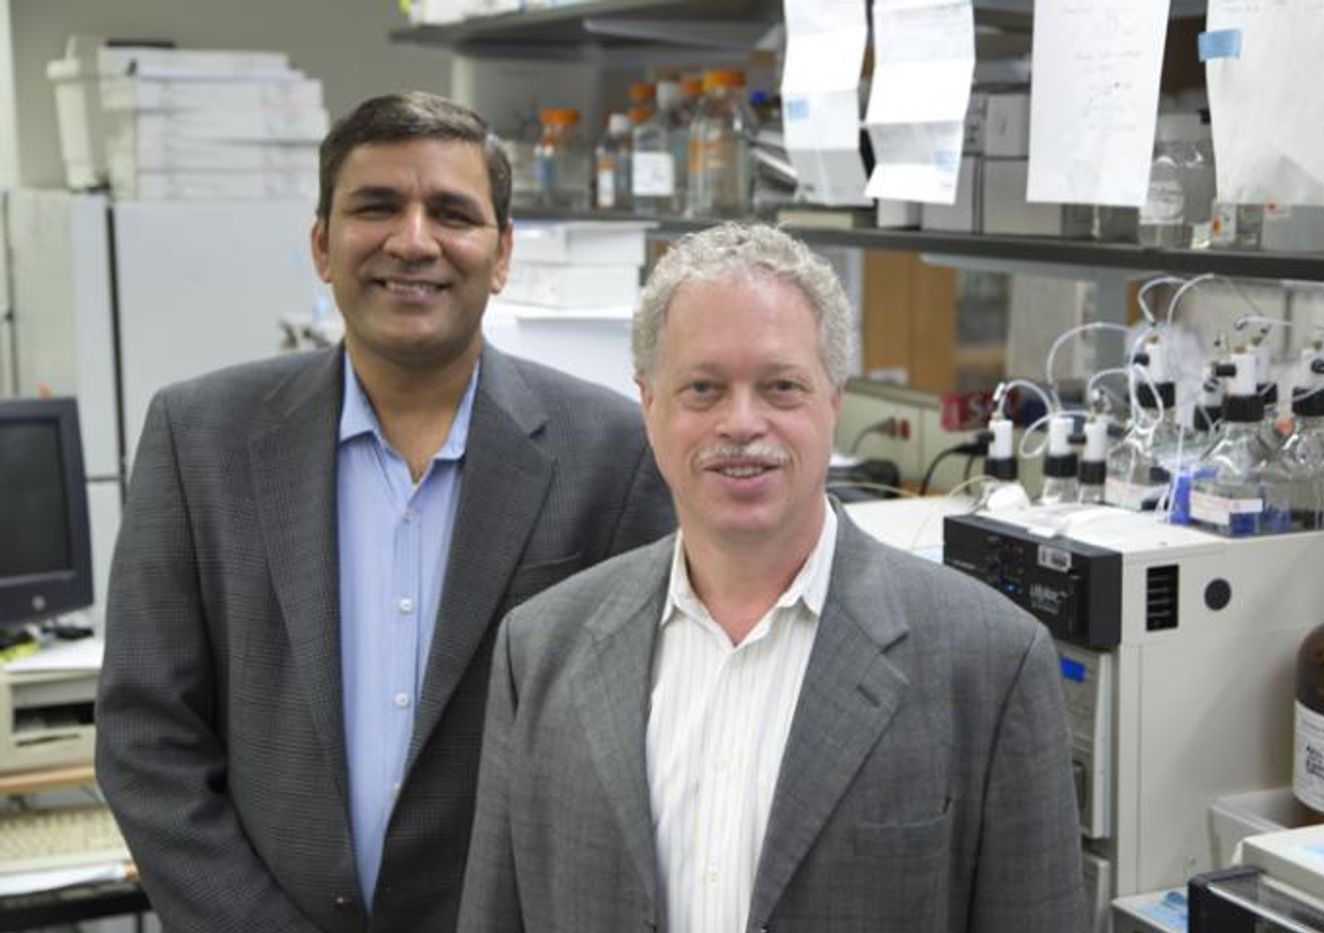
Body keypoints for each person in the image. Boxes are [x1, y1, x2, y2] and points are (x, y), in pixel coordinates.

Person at [96, 92, 674, 933]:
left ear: (502, 252)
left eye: (452, 212)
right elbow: (146, 740)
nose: (413, 240)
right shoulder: (199, 438)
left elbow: (642, 755)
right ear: (322, 245)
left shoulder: (615, 454)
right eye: (375, 207)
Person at [459, 222, 1086, 933]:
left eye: (781, 386)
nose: (742, 422)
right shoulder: (540, 648)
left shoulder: (991, 665)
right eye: (703, 388)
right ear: (650, 403)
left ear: (832, 401)